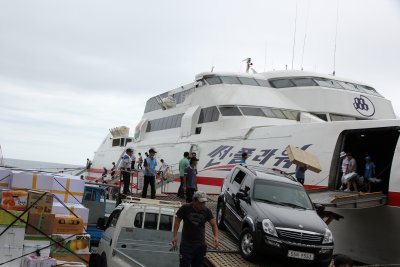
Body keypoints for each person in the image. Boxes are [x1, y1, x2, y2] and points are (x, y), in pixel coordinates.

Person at [172, 191, 219, 267]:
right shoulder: (185, 208)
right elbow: (177, 222)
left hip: (200, 245)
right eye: (201, 202)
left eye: (204, 202)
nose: (203, 205)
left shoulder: (207, 211)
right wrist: (174, 236)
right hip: (186, 245)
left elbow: (213, 224)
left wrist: (216, 237)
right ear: (194, 200)